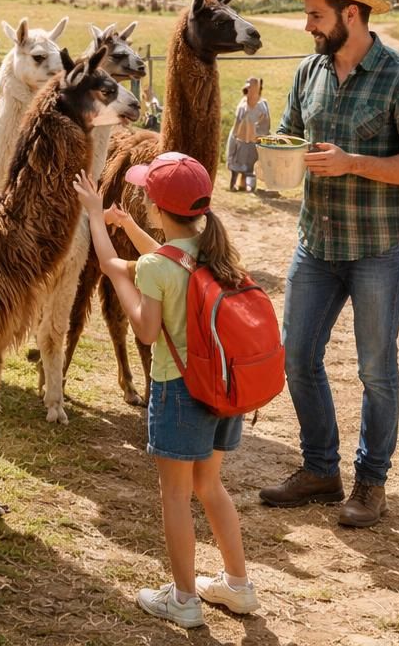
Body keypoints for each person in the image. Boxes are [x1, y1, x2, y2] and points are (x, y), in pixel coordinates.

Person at [258, 0, 399, 527]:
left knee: (375, 369)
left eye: (316, 15)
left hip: (378, 248)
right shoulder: (309, 72)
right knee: (296, 357)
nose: (309, 25)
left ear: (352, 13)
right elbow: (290, 131)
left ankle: (371, 483)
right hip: (316, 240)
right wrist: (273, 150)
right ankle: (320, 468)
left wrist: (352, 163)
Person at [74, 153, 257, 630]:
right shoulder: (214, 248)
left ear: (157, 206)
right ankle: (238, 586)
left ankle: (183, 599)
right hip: (222, 387)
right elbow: (166, 255)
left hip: (179, 394)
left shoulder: (157, 268)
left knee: (175, 496)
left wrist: (98, 219)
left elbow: (146, 328)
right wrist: (130, 227)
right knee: (208, 486)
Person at [225, 77, 270, 192]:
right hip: (241, 139)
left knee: (251, 165)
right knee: (237, 163)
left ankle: (250, 186)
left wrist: (262, 136)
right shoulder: (242, 106)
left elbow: (265, 123)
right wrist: (234, 137)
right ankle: (234, 184)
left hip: (254, 140)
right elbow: (237, 124)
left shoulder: (262, 105)